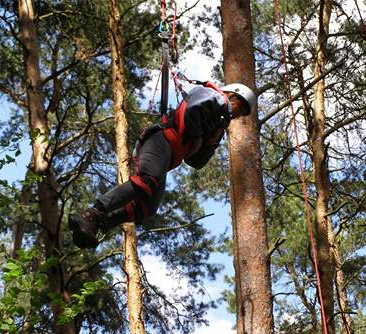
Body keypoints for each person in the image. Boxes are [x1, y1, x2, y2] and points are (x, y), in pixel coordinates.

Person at [69, 82, 255, 248]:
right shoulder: (216, 97)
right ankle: (90, 214)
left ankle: (99, 223)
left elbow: (195, 162)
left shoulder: (218, 123)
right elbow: (191, 110)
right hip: (162, 140)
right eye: (240, 107)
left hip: (169, 155)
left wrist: (210, 143)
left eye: (242, 113)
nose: (238, 114)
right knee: (147, 181)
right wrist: (199, 137)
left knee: (147, 208)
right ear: (232, 95)